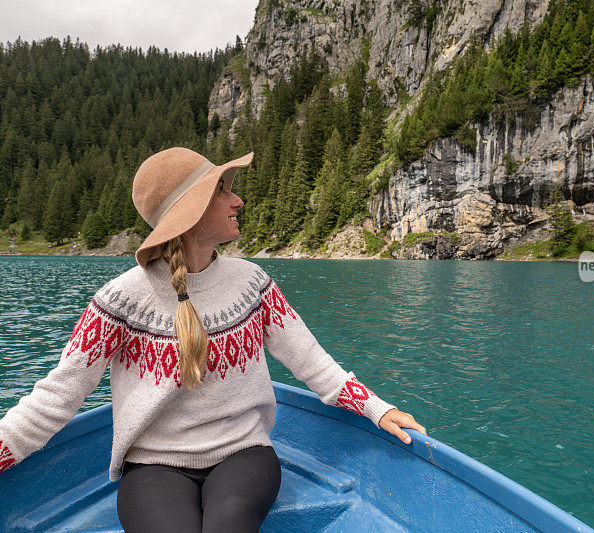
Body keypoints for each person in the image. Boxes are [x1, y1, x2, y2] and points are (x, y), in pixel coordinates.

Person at [0, 147, 425, 532]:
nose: (238, 200)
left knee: (231, 521)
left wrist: (375, 407)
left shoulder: (252, 284)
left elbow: (311, 361)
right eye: (222, 190)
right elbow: (57, 396)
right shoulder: (118, 301)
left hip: (244, 455)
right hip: (153, 466)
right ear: (192, 210)